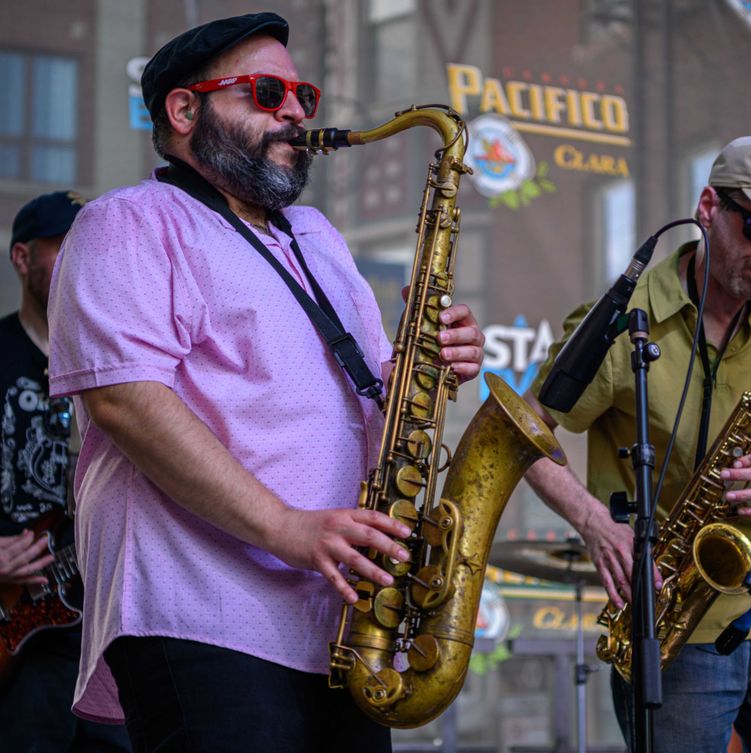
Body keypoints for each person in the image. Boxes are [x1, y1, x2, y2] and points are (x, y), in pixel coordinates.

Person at [46, 12, 484, 753]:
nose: (294, 112)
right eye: (266, 91)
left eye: (302, 95)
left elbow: (375, 396)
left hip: (342, 625)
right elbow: (125, 399)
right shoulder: (131, 221)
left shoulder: (315, 234)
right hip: (206, 612)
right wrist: (288, 526)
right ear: (185, 110)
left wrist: (432, 369)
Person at [524, 136, 751, 753]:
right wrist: (593, 522)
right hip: (676, 617)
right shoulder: (621, 319)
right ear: (708, 207)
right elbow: (526, 430)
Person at [0, 191, 131, 752]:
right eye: (63, 246)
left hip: (110, 627)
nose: (82, 258)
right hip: (24, 626)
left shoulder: (126, 358)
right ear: (23, 259)